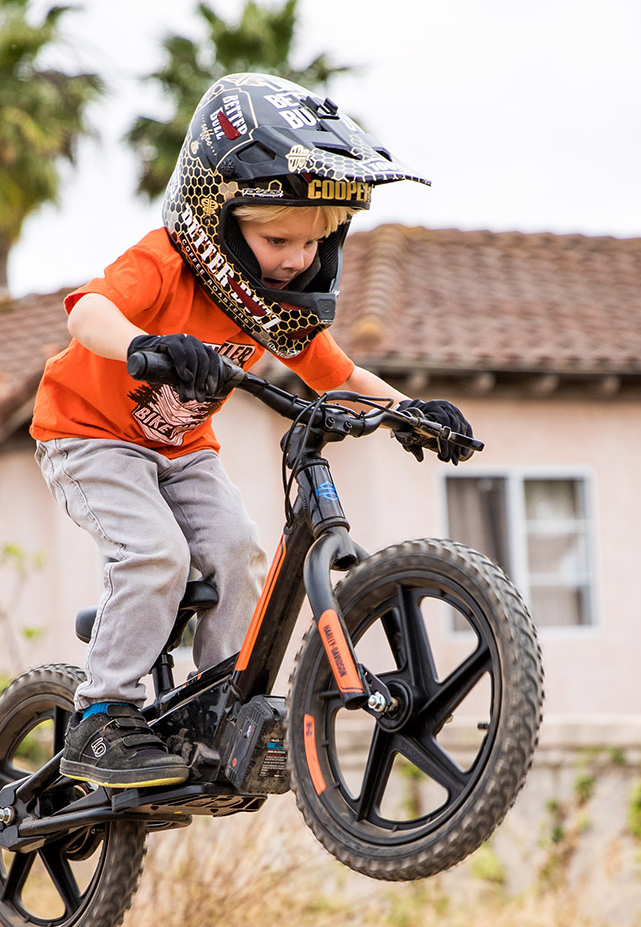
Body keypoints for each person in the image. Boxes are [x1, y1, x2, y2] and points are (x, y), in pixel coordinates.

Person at [30, 72, 476, 788]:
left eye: (314, 242)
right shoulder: (164, 263)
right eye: (277, 238)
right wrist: (145, 346)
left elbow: (341, 375)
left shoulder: (272, 308)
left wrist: (411, 412)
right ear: (219, 213)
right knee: (154, 555)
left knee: (240, 552)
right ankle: (100, 718)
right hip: (89, 436)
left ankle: (213, 708)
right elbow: (87, 313)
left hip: (180, 451)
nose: (297, 258)